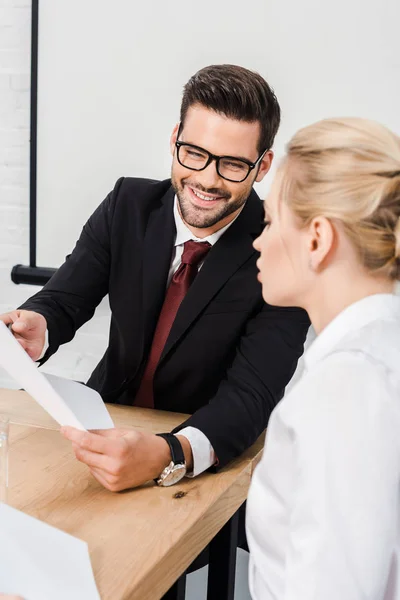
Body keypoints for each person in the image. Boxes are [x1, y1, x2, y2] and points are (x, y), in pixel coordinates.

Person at [0, 64, 308, 492]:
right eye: (194, 153)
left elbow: (251, 396)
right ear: (174, 138)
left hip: (200, 451)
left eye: (233, 164)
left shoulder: (282, 251)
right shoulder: (128, 204)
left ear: (263, 165)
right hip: (101, 424)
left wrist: (170, 452)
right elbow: (64, 299)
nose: (206, 178)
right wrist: (41, 325)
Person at [247, 117, 400, 599]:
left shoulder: (348, 387)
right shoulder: (367, 353)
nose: (258, 240)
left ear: (317, 238)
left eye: (270, 220)